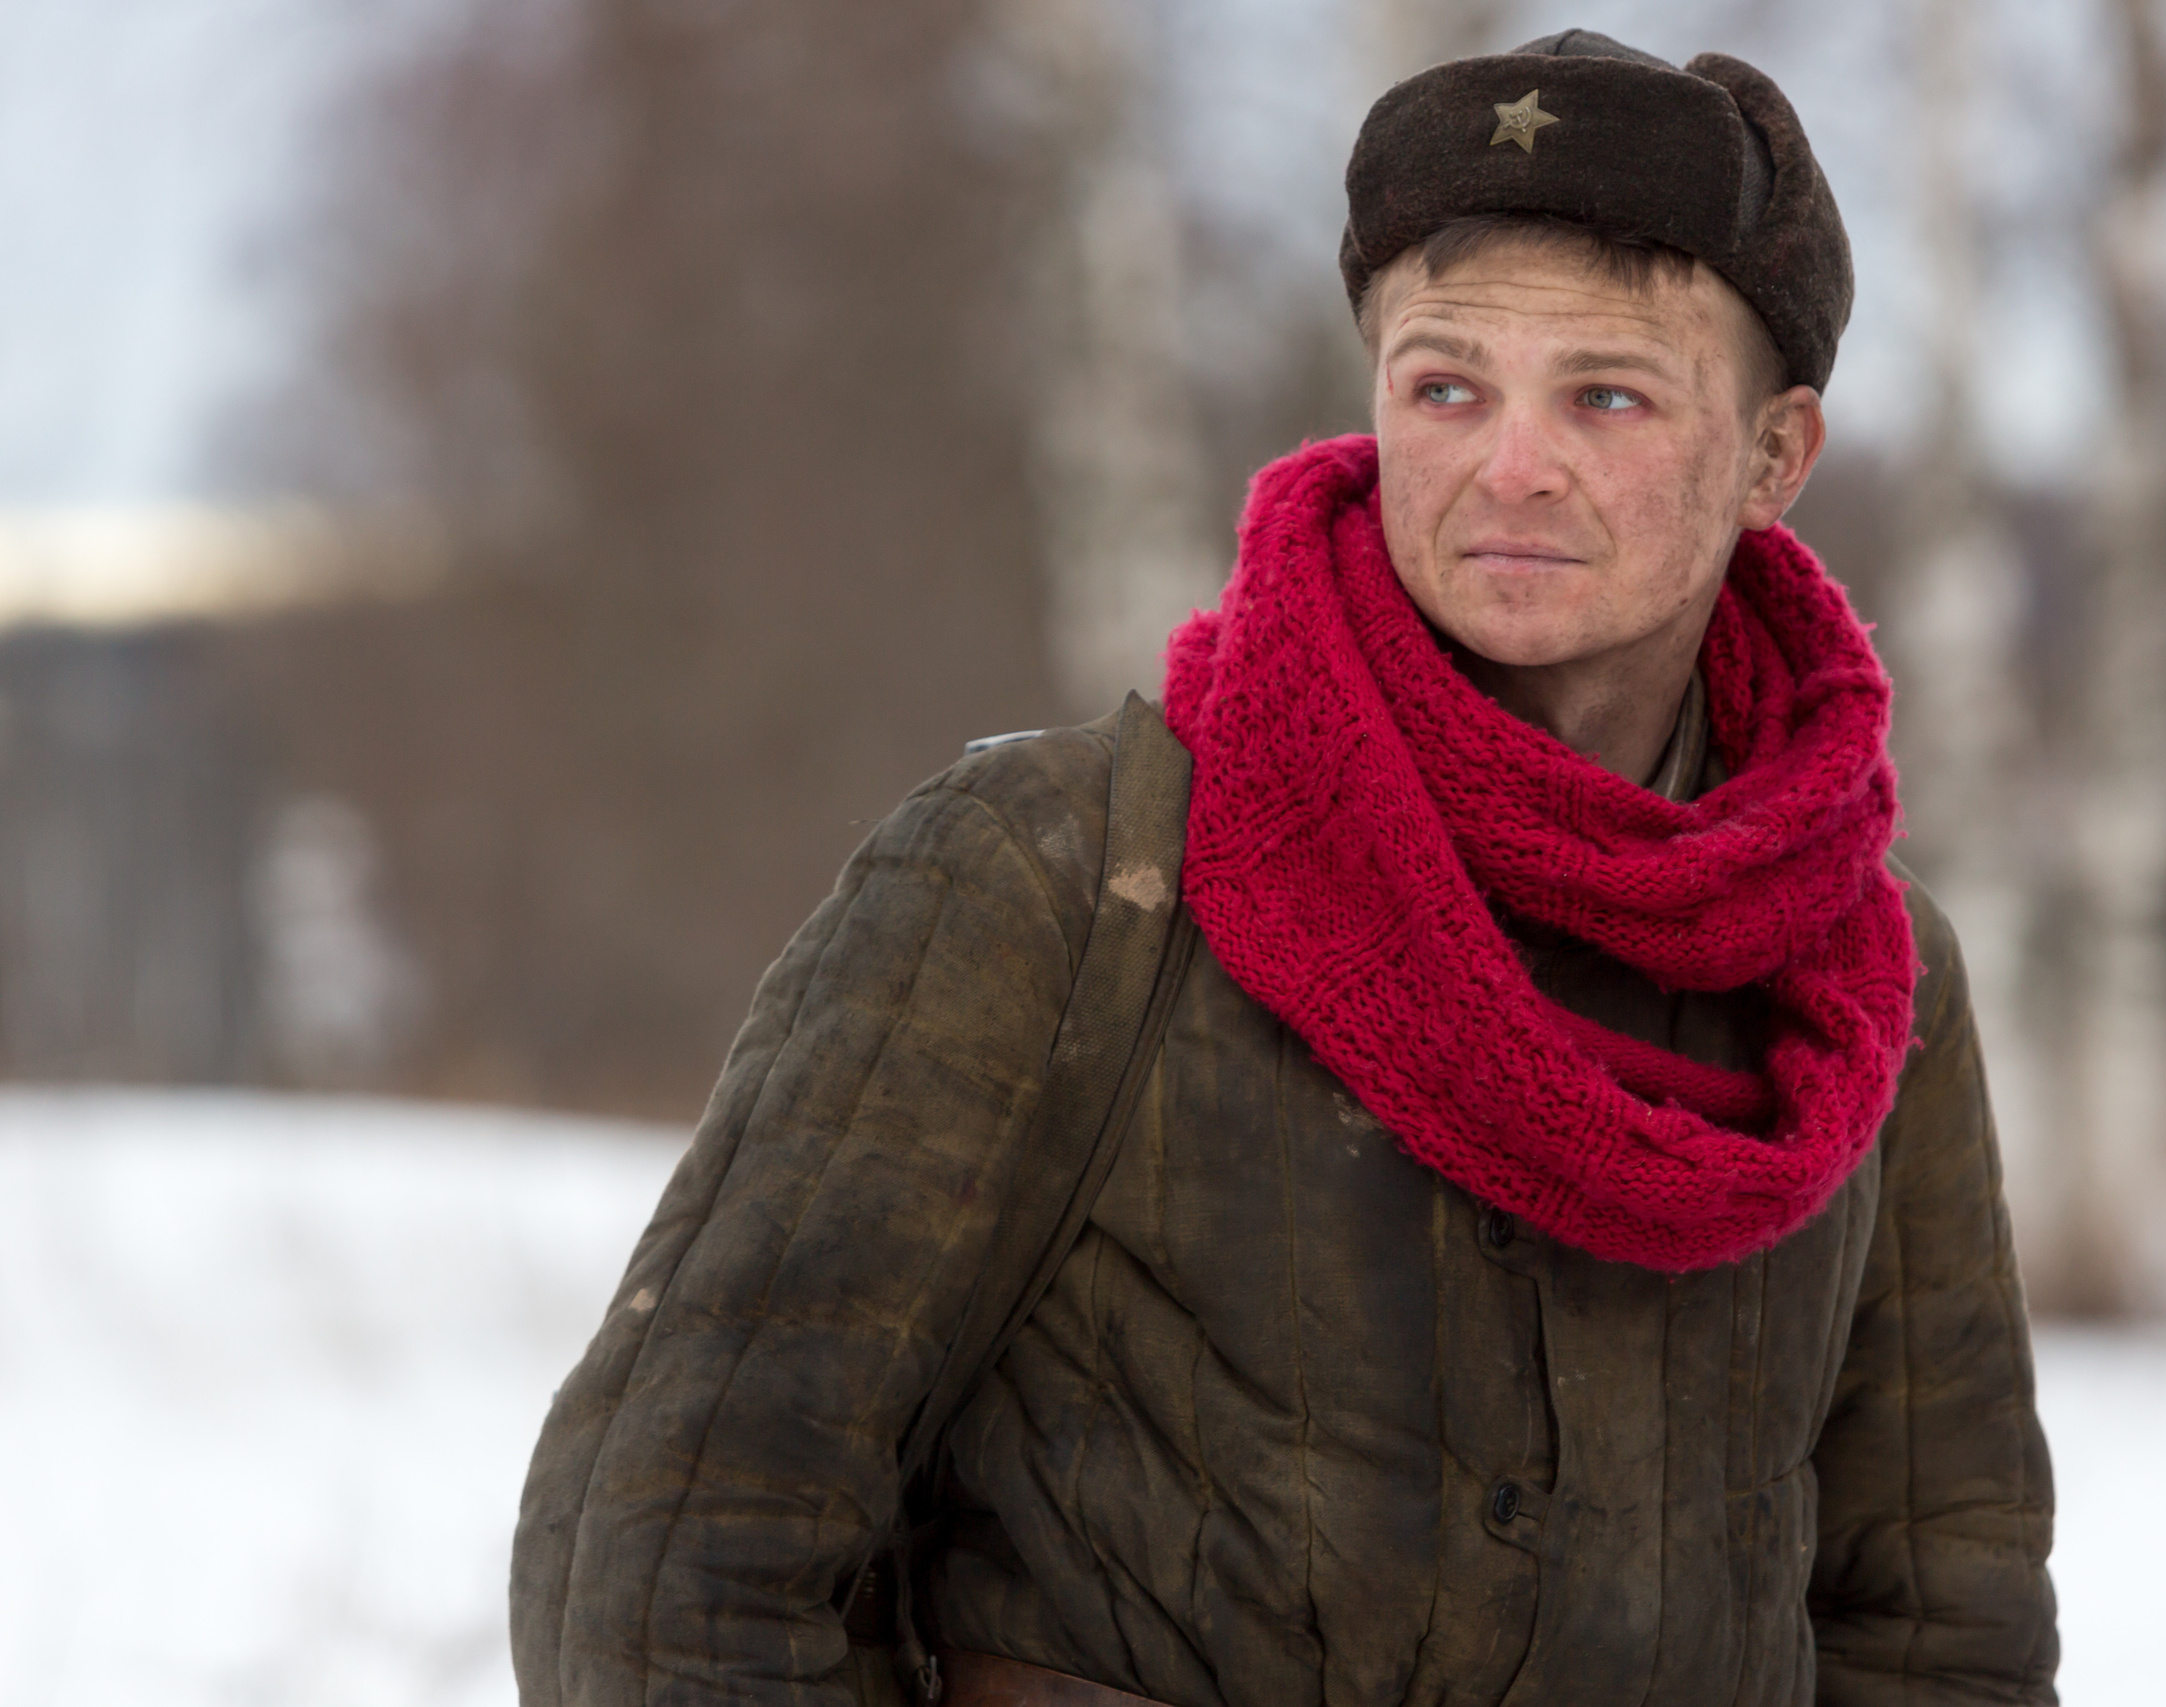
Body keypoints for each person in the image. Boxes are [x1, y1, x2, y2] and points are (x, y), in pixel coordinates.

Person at [512, 29, 2058, 1707]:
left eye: (1606, 395)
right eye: (1445, 385)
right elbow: (676, 1563)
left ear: (1776, 458)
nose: (1509, 464)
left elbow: (1939, 1627)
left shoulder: (1856, 984)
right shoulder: (1054, 883)